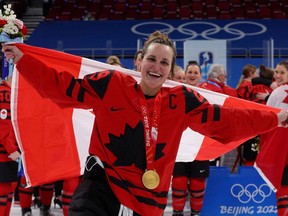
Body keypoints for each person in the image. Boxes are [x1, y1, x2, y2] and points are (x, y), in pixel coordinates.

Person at [2, 31, 288, 216]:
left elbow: (226, 120)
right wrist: (25, 60)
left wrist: (274, 117)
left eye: (164, 63)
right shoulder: (111, 84)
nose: (157, 67)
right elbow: (61, 87)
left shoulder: (182, 100)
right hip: (100, 186)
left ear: (171, 69)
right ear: (139, 63)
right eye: (151, 59)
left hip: (148, 195)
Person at [171, 61, 210, 216]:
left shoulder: (207, 96)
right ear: (185, 75)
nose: (192, 75)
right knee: (179, 182)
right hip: (180, 146)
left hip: (199, 147)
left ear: (200, 76)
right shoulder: (175, 93)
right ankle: (177, 213)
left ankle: (195, 214)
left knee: (197, 183)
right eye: (190, 72)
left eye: (196, 72)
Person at [256, 60, 288, 216]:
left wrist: (265, 145)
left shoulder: (277, 93)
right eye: (277, 72)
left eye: (282, 72)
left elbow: (266, 122)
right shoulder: (276, 93)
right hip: (281, 148)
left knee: (282, 187)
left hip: (280, 150)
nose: (278, 75)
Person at [0, 76, 21, 216]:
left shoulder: (8, 92)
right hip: (5, 152)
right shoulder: (5, 94)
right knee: (3, 190)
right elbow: (4, 127)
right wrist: (13, 150)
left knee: (8, 189)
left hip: (8, 150)